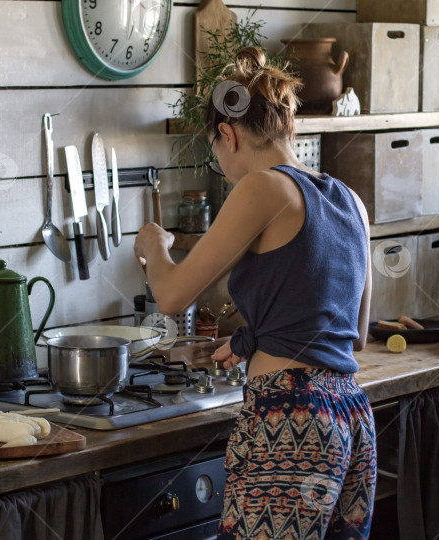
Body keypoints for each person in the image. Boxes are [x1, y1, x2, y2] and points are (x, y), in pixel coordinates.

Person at [133, 46, 376, 539]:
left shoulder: (262, 188)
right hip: (350, 416)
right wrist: (247, 342)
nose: (223, 165)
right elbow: (355, 335)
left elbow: (172, 296)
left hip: (290, 422)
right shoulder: (351, 201)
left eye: (217, 151)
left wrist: (155, 247)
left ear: (228, 133)